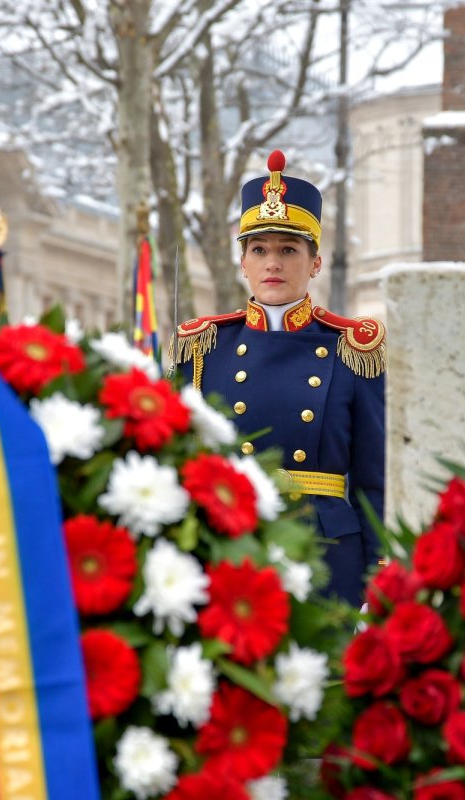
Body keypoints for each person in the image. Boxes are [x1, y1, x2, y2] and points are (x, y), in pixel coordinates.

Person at [172, 150, 386, 606]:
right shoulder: (203, 347)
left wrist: (380, 573)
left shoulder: (353, 349)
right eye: (260, 250)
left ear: (314, 263)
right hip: (234, 544)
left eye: (288, 250)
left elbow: (374, 479)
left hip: (326, 556)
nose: (273, 263)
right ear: (243, 262)